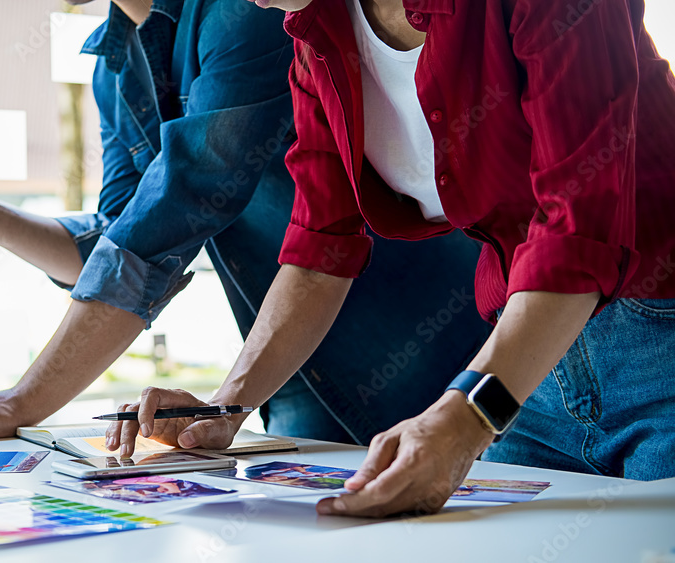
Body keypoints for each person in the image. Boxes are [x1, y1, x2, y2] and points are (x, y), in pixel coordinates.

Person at [0, 0, 490, 448]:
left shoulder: (249, 13)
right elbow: (118, 243)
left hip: (447, 371)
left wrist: (19, 400)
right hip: (294, 393)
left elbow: (174, 215)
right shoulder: (117, 62)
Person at [108, 0, 675, 517]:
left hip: (656, 342)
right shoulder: (317, 36)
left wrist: (469, 417)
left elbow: (577, 228)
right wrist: (225, 409)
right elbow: (319, 248)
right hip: (531, 366)